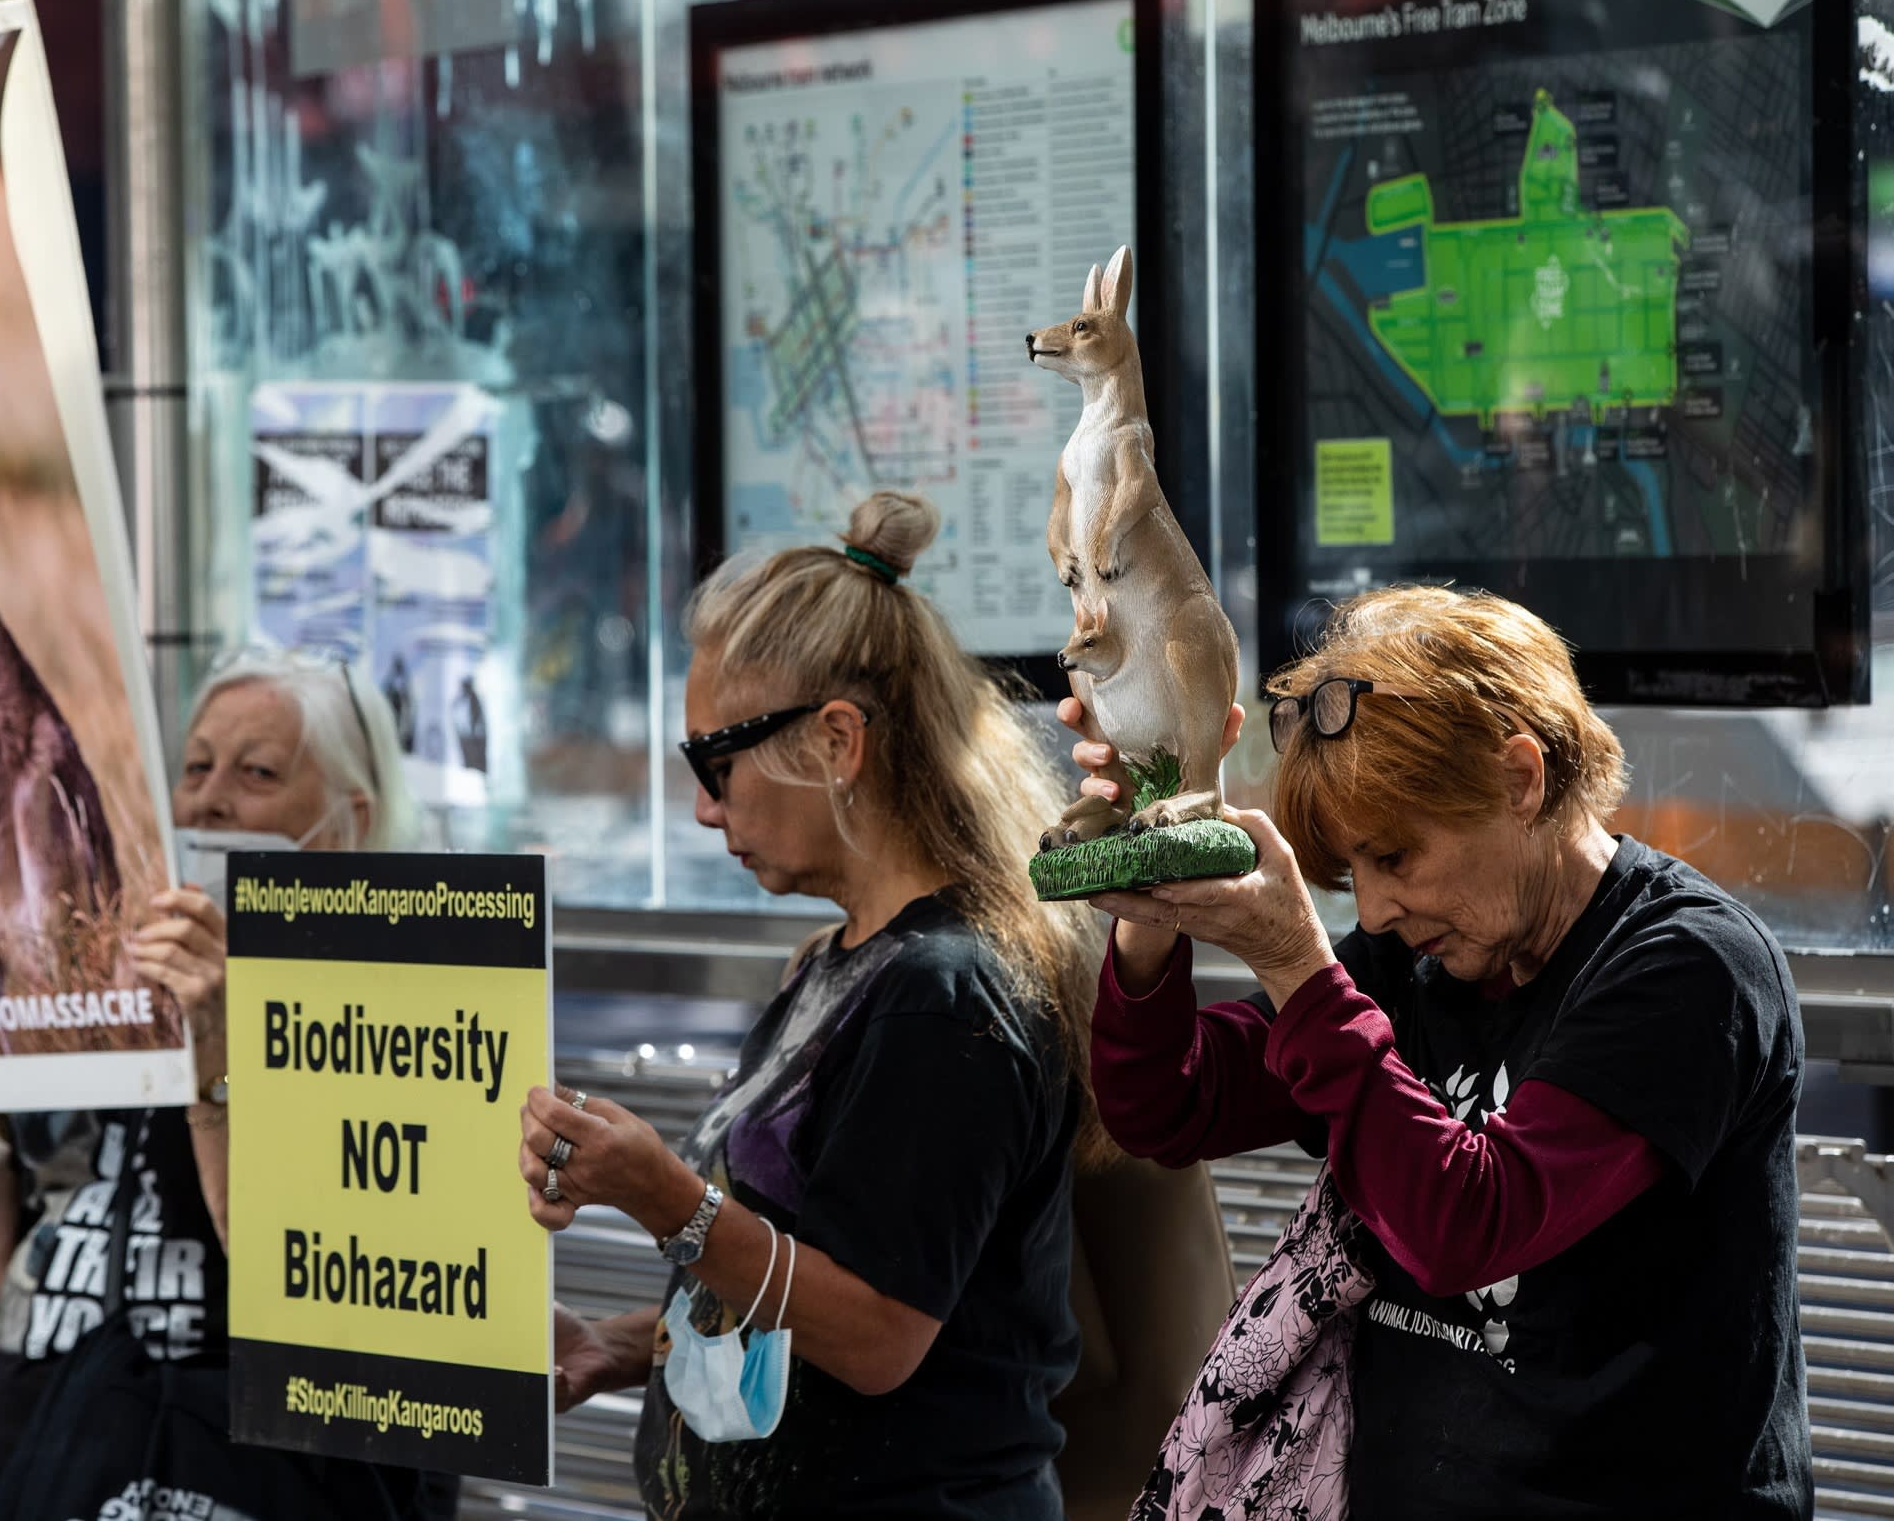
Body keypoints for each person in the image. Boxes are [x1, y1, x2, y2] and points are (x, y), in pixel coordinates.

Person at [1081, 584, 1808, 1519]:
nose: (1374, 910)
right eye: (1351, 875)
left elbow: (1468, 1226)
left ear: (1519, 779)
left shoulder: (1690, 966)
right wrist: (1153, 906)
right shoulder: (1416, 960)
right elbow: (1166, 1107)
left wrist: (1296, 966)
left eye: (1395, 857)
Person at [520, 490, 1100, 1519]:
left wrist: (661, 1194)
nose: (704, 806)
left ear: (838, 740)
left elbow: (877, 1332)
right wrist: (618, 1343)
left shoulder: (942, 992)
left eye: (718, 760)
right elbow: (804, 1264)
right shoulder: (841, 963)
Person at [0, 646, 453, 1518]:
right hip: (50, 1454)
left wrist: (212, 1050)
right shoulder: (114, 983)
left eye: (258, 773)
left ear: (349, 820)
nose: (208, 799)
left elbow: (321, 1287)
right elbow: (15, 1252)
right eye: (196, 766)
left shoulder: (403, 1017)